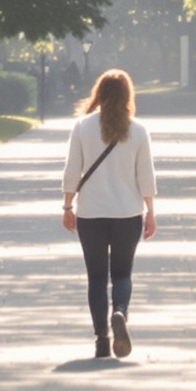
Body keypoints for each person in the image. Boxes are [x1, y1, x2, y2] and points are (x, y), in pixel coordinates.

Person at [61, 68, 158, 360]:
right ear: (128, 95)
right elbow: (146, 177)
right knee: (122, 273)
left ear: (99, 94)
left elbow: (71, 171)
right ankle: (120, 312)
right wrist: (151, 212)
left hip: (91, 213)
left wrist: (67, 206)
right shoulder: (139, 131)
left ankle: (101, 339)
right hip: (128, 213)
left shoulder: (82, 127)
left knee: (96, 277)